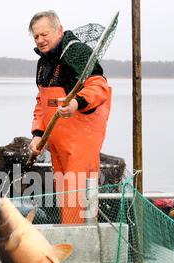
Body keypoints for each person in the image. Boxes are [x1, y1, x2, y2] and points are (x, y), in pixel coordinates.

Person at [28, 10, 112, 224]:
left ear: (59, 30)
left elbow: (98, 87)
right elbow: (42, 101)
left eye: (44, 34)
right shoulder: (43, 62)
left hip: (80, 140)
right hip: (56, 141)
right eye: (36, 36)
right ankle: (67, 235)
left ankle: (80, 241)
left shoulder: (76, 52)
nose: (40, 40)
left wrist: (76, 103)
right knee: (64, 195)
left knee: (77, 194)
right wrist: (38, 135)